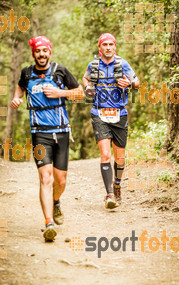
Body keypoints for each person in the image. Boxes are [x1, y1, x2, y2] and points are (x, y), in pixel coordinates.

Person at [10, 36, 84, 241]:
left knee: (60, 180)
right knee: (45, 177)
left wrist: (59, 92)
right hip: (39, 133)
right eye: (38, 51)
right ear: (33, 54)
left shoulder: (61, 71)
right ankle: (48, 222)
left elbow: (80, 94)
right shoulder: (26, 73)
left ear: (49, 52)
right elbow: (20, 87)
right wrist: (17, 97)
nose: (41, 54)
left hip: (61, 131)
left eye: (45, 51)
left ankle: (56, 201)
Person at [82, 33, 139, 209]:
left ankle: (117, 185)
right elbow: (85, 78)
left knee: (119, 157)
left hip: (119, 113)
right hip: (99, 113)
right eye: (104, 44)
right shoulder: (93, 65)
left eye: (110, 44)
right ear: (100, 47)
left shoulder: (123, 64)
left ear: (115, 47)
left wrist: (128, 84)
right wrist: (88, 87)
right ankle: (109, 195)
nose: (107, 47)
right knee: (106, 154)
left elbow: (137, 83)